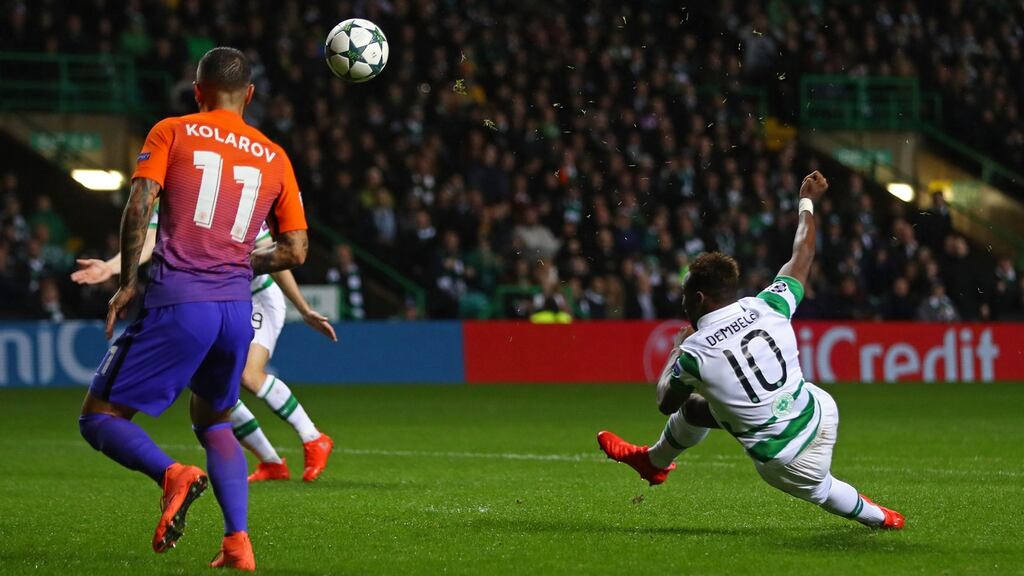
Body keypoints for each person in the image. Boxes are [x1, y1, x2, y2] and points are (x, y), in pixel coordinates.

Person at [77, 47, 308, 571]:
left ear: (198, 91)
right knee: (214, 422)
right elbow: (295, 251)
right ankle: (237, 544)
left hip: (180, 300)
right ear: (248, 95)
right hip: (233, 312)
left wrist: (127, 283)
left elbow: (140, 205)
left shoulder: (173, 131)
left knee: (98, 418)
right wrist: (237, 262)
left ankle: (171, 475)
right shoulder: (274, 155)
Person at [597, 172, 905, 530]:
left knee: (821, 488)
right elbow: (803, 254)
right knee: (703, 409)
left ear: (698, 298)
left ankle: (883, 518)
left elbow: (666, 401)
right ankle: (654, 462)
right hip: (820, 411)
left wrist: (674, 351)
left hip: (788, 457)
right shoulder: (769, 304)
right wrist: (807, 201)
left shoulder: (694, 352)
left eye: (685, 297)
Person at [73, 208, 337, 484]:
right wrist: (111, 267)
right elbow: (148, 239)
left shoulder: (232, 201)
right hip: (213, 302)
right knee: (210, 386)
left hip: (256, 297)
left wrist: (304, 309)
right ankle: (271, 462)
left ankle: (313, 437)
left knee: (248, 374)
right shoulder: (178, 197)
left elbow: (275, 256)